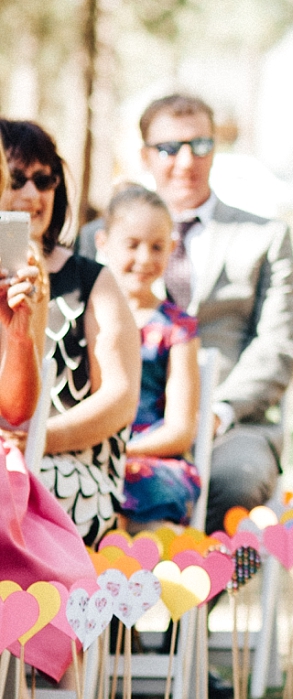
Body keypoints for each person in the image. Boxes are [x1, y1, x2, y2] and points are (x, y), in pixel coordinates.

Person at [138, 94, 293, 532]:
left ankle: (191, 597)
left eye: (201, 145)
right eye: (169, 148)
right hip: (133, 422)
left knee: (234, 485)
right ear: (145, 156)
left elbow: (278, 347)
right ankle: (125, 599)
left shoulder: (265, 237)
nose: (186, 161)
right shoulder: (104, 237)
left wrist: (216, 413)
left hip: (231, 425)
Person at [0, 120, 141, 547]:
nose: (31, 195)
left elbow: (120, 398)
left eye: (44, 180)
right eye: (16, 178)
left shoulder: (92, 280)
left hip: (73, 470)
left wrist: (37, 440)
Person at [0, 151, 93, 590]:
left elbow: (16, 412)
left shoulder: (22, 271)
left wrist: (18, 332)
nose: (29, 194)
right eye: (16, 180)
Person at [97, 184, 202, 527]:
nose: (144, 259)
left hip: (150, 456)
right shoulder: (88, 317)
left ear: (172, 248)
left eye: (157, 247)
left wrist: (120, 453)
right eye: (132, 245)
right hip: (88, 447)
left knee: (133, 486)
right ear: (103, 243)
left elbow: (180, 430)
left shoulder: (177, 328)